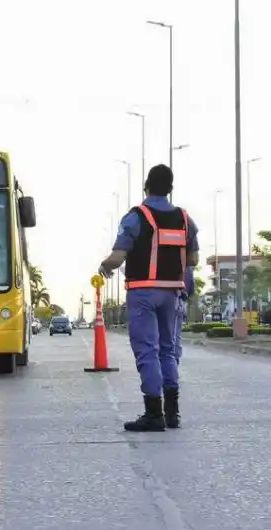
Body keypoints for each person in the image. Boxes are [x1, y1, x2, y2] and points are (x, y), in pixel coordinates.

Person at [97, 165, 199, 432]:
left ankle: (154, 414)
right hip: (173, 294)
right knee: (168, 351)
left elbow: (118, 257)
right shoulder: (185, 219)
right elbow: (193, 259)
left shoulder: (136, 217)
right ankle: (172, 414)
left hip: (143, 293)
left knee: (147, 351)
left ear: (146, 186)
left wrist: (104, 267)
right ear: (171, 189)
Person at [174, 267, 195, 365]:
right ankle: (174, 363)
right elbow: (191, 289)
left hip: (168, 298)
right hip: (180, 302)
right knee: (176, 336)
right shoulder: (188, 268)